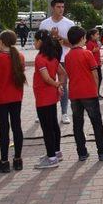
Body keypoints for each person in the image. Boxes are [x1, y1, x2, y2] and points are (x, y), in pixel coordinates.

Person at [65, 26, 103, 161]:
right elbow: (95, 74)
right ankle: (102, 151)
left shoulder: (68, 56)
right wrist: (95, 91)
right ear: (82, 38)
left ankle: (81, 152)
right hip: (88, 92)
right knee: (96, 123)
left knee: (78, 124)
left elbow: (68, 74)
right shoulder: (87, 53)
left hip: (74, 94)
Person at [0, 30, 26, 173]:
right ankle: (17, 159)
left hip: (2, 97)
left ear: (1, 42)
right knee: (17, 126)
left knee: (4, 128)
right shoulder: (20, 56)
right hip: (16, 95)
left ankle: (4, 161)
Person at [32, 30, 65, 169]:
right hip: (51, 96)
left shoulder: (40, 58)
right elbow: (62, 73)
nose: (34, 43)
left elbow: (46, 78)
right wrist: (60, 85)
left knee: (47, 127)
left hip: (44, 96)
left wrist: (57, 84)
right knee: (53, 124)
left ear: (40, 41)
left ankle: (51, 158)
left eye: (35, 40)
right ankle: (56, 152)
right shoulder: (52, 56)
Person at [39, 0, 75, 124]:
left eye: (62, 7)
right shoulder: (44, 24)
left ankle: (64, 112)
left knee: (63, 85)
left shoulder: (69, 23)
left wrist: (58, 37)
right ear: (52, 8)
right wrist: (51, 38)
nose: (61, 9)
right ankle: (42, 111)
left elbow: (72, 44)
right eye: (58, 7)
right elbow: (40, 43)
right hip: (47, 58)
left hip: (63, 58)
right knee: (45, 84)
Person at [85, 29, 103, 100]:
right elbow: (92, 51)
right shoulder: (89, 43)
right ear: (92, 36)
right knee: (96, 79)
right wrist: (99, 46)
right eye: (97, 34)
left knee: (99, 78)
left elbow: (97, 53)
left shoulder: (95, 42)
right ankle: (95, 94)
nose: (98, 36)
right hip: (93, 64)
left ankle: (97, 93)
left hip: (97, 63)